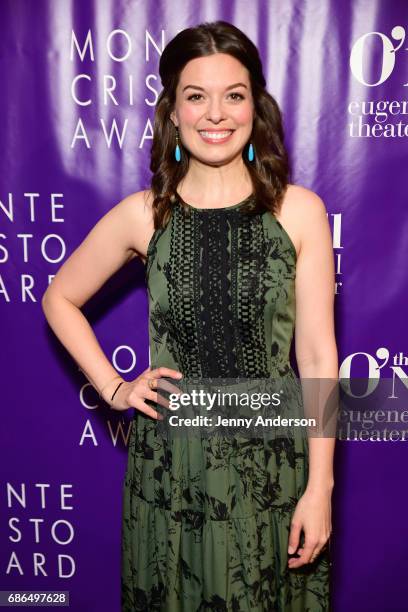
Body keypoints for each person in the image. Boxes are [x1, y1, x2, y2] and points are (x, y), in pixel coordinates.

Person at [42, 20, 337, 612]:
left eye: (234, 95)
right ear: (172, 112)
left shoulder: (300, 211)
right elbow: (59, 298)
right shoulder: (144, 215)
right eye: (195, 96)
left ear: (256, 106)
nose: (216, 114)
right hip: (173, 471)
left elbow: (316, 358)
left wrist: (321, 486)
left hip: (275, 467)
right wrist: (114, 388)